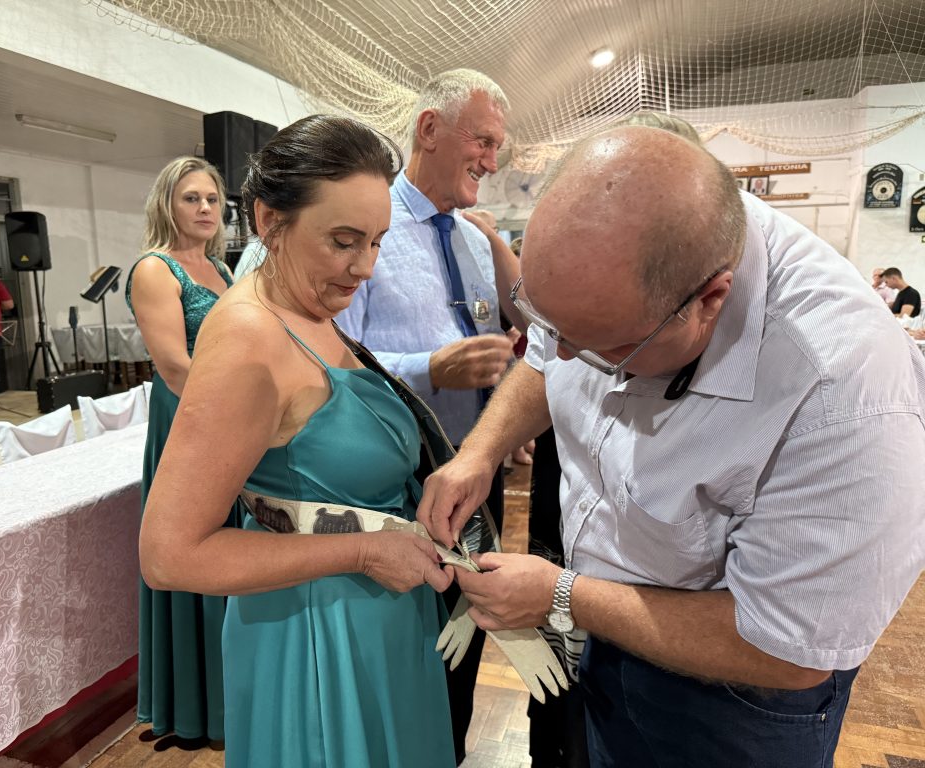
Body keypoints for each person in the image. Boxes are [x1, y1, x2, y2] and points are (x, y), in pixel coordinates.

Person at [418, 126, 925, 768]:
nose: (565, 356)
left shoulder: (845, 394)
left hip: (735, 702)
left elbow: (789, 650)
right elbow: (548, 354)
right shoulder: (622, 264)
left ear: (709, 300)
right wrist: (479, 453)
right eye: (550, 323)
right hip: (604, 626)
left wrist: (562, 596)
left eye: (603, 348)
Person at [140, 115, 457, 768]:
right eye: (344, 241)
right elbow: (169, 555)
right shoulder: (250, 340)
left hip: (373, 619)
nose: (365, 267)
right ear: (269, 221)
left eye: (377, 242)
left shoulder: (306, 307)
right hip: (319, 637)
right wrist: (363, 552)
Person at [337, 69, 523, 763]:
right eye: (483, 141)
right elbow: (333, 357)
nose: (492, 162)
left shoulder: (473, 241)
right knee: (410, 650)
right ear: (429, 129)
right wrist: (429, 369)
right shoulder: (368, 225)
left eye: (498, 147)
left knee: (464, 644)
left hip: (475, 471)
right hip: (402, 481)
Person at [124, 156, 238, 747]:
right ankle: (201, 707)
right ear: (166, 204)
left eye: (212, 199)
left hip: (230, 418)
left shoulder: (221, 267)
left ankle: (235, 696)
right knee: (196, 547)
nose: (204, 208)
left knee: (232, 551)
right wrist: (245, 417)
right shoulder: (154, 269)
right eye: (191, 198)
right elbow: (174, 366)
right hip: (191, 421)